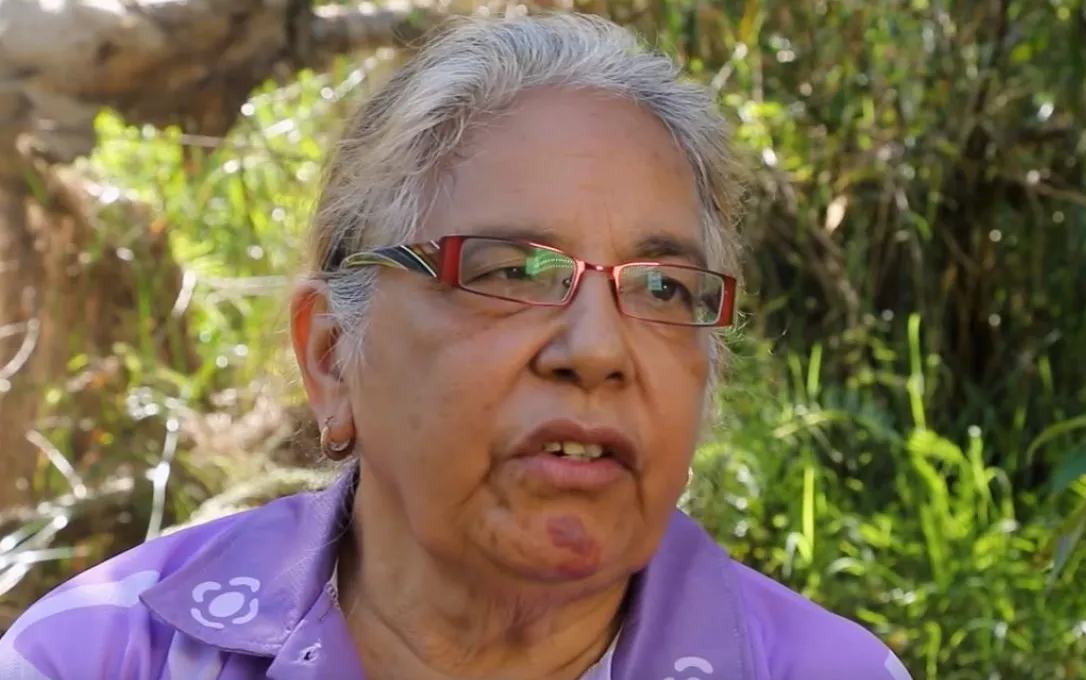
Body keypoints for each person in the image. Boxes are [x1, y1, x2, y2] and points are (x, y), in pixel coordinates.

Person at [0, 12, 912, 680]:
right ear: (329, 357)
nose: (598, 349)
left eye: (663, 289)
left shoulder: (821, 669)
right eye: (511, 273)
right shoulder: (106, 653)